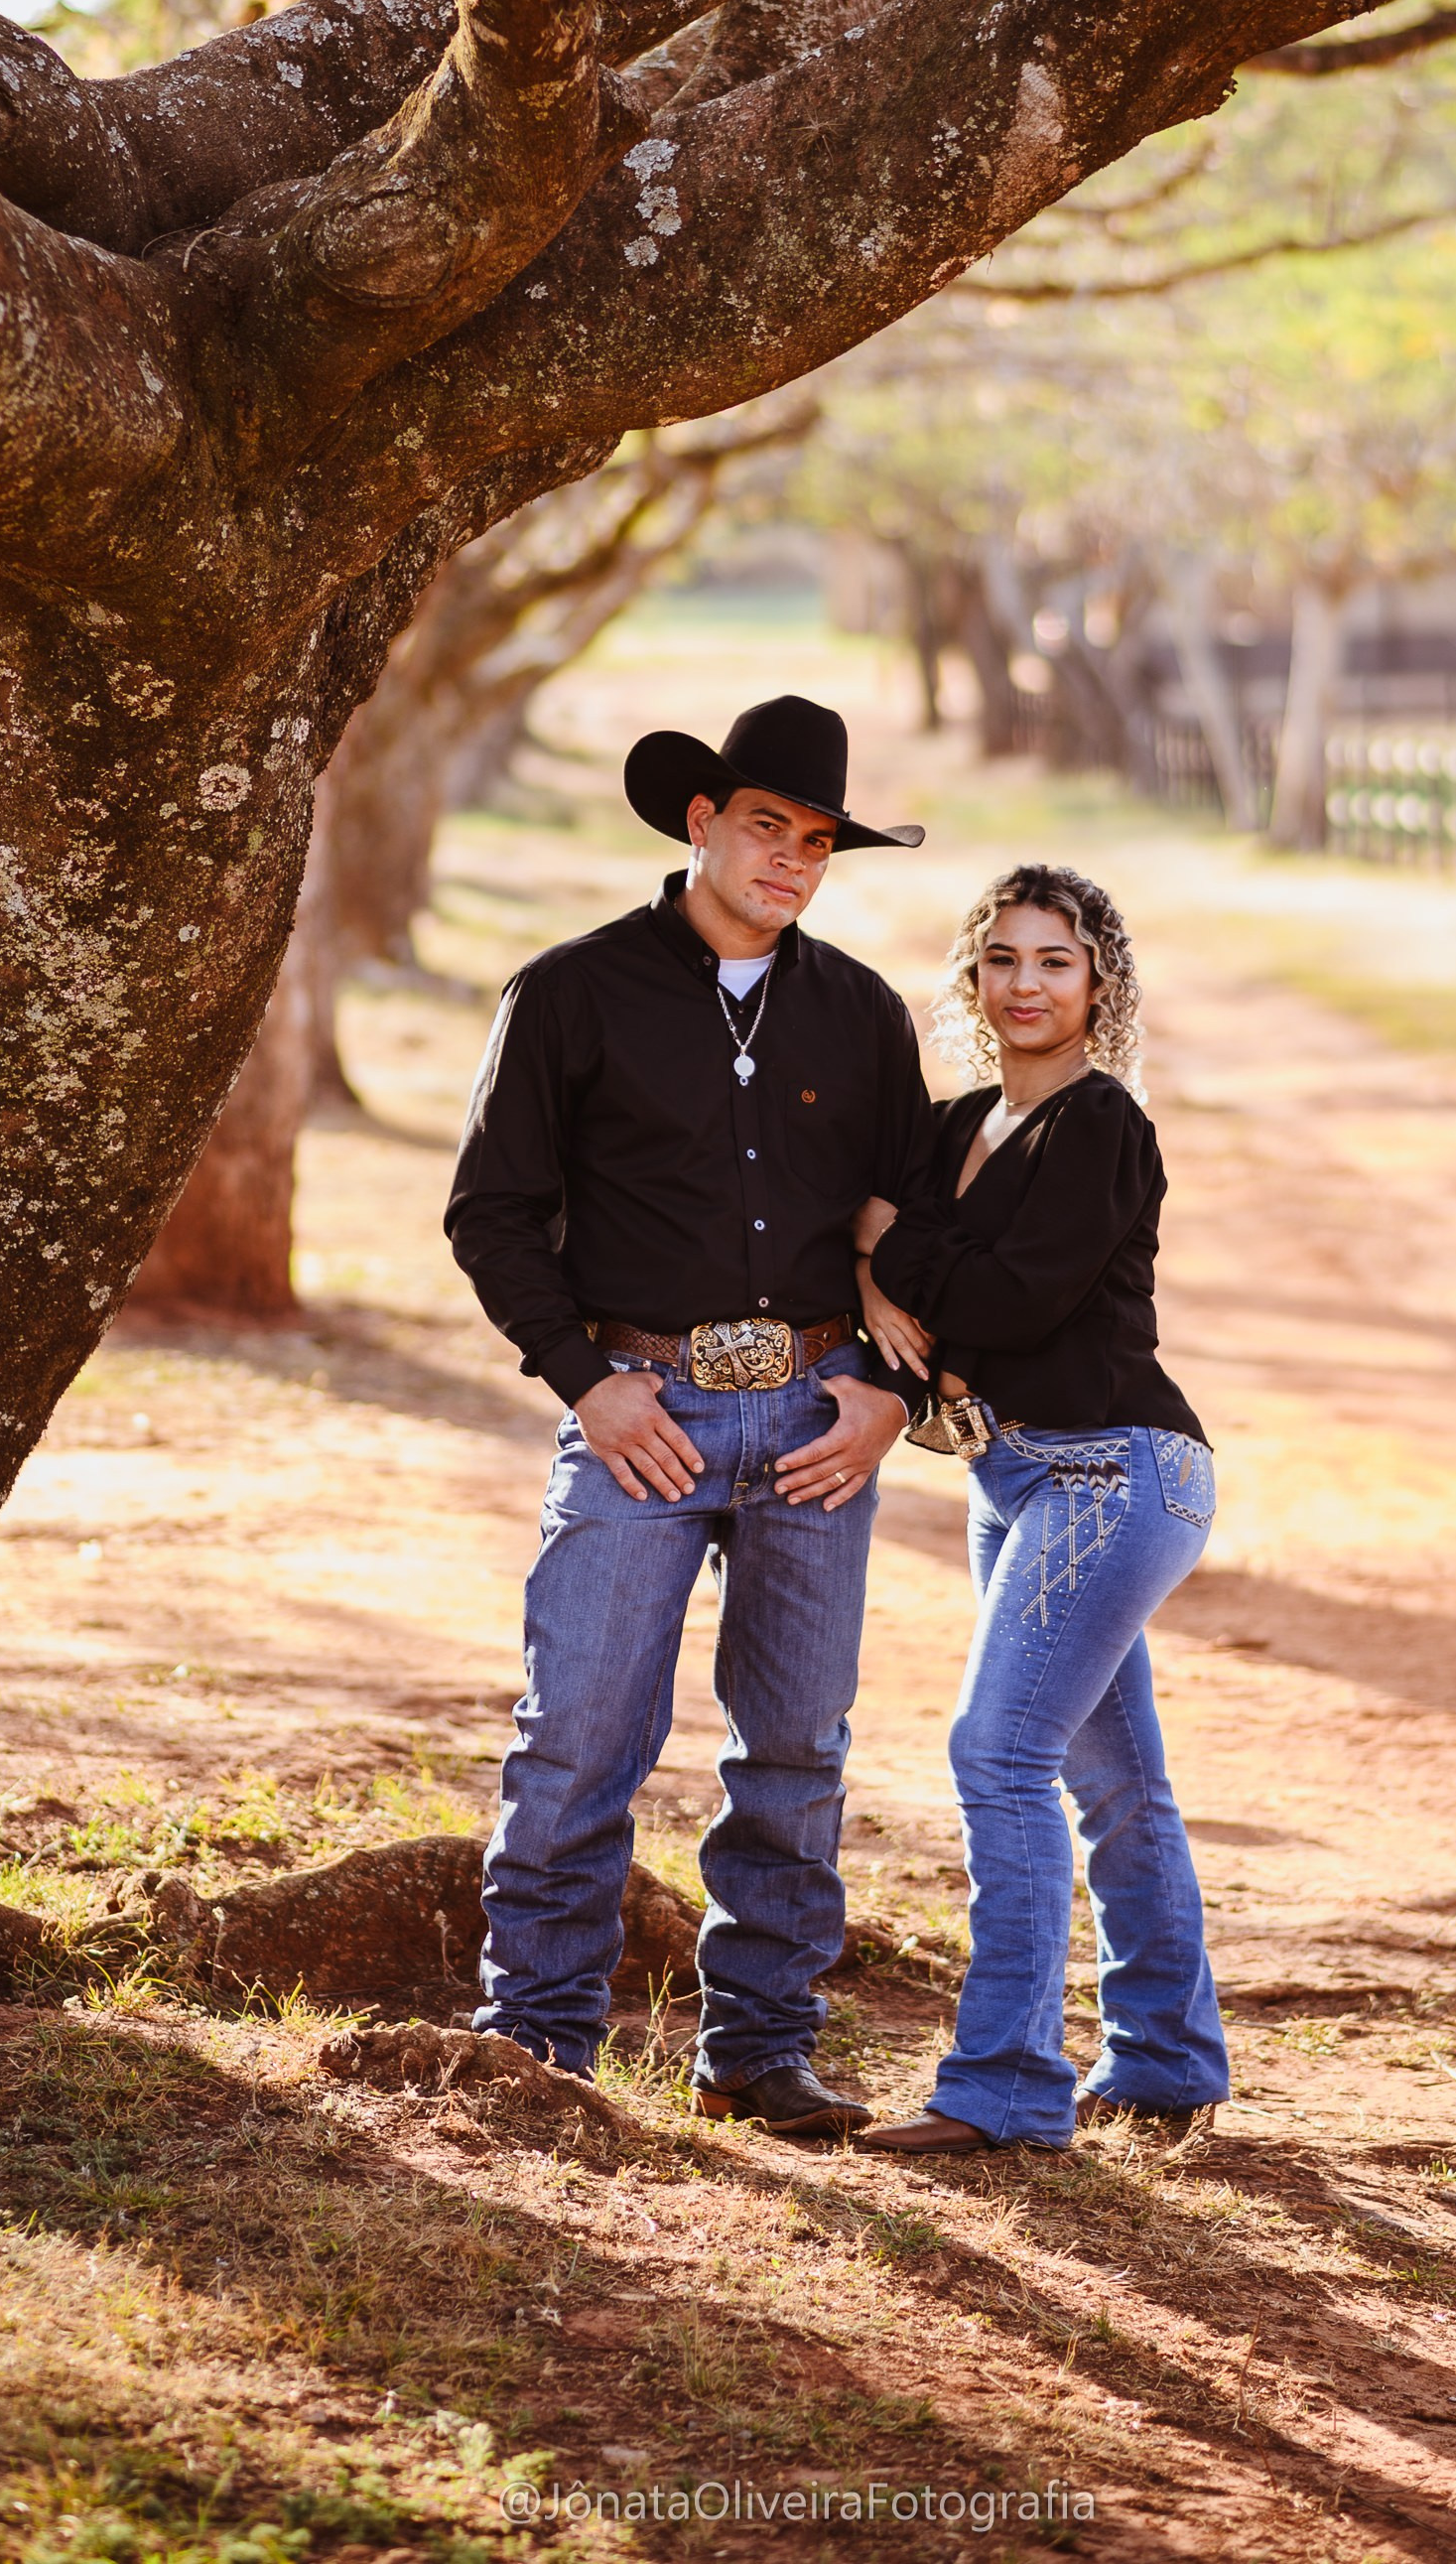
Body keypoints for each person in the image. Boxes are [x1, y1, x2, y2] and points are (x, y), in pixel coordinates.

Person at [445, 695, 930, 2138]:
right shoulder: (572, 992)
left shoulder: (860, 1012)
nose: (791, 860)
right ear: (701, 823)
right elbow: (492, 1214)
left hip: (815, 1420)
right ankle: (533, 2045)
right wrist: (585, 1382)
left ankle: (761, 2051)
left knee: (794, 1744)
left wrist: (889, 1397)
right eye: (767, 827)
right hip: (637, 1404)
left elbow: (914, 1234)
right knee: (581, 1728)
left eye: (819, 840)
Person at [847, 864, 1226, 2156]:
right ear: (973, 979)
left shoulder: (1103, 1126)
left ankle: (1005, 2086)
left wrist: (891, 1253)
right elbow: (911, 1259)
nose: (1025, 984)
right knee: (1114, 1778)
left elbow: (1007, 1306)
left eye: (1054, 961)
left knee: (996, 1752)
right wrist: (889, 1257)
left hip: (1121, 1471)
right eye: (1002, 959)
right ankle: (1167, 2061)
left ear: (1097, 984)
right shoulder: (957, 1127)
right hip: (1014, 1474)